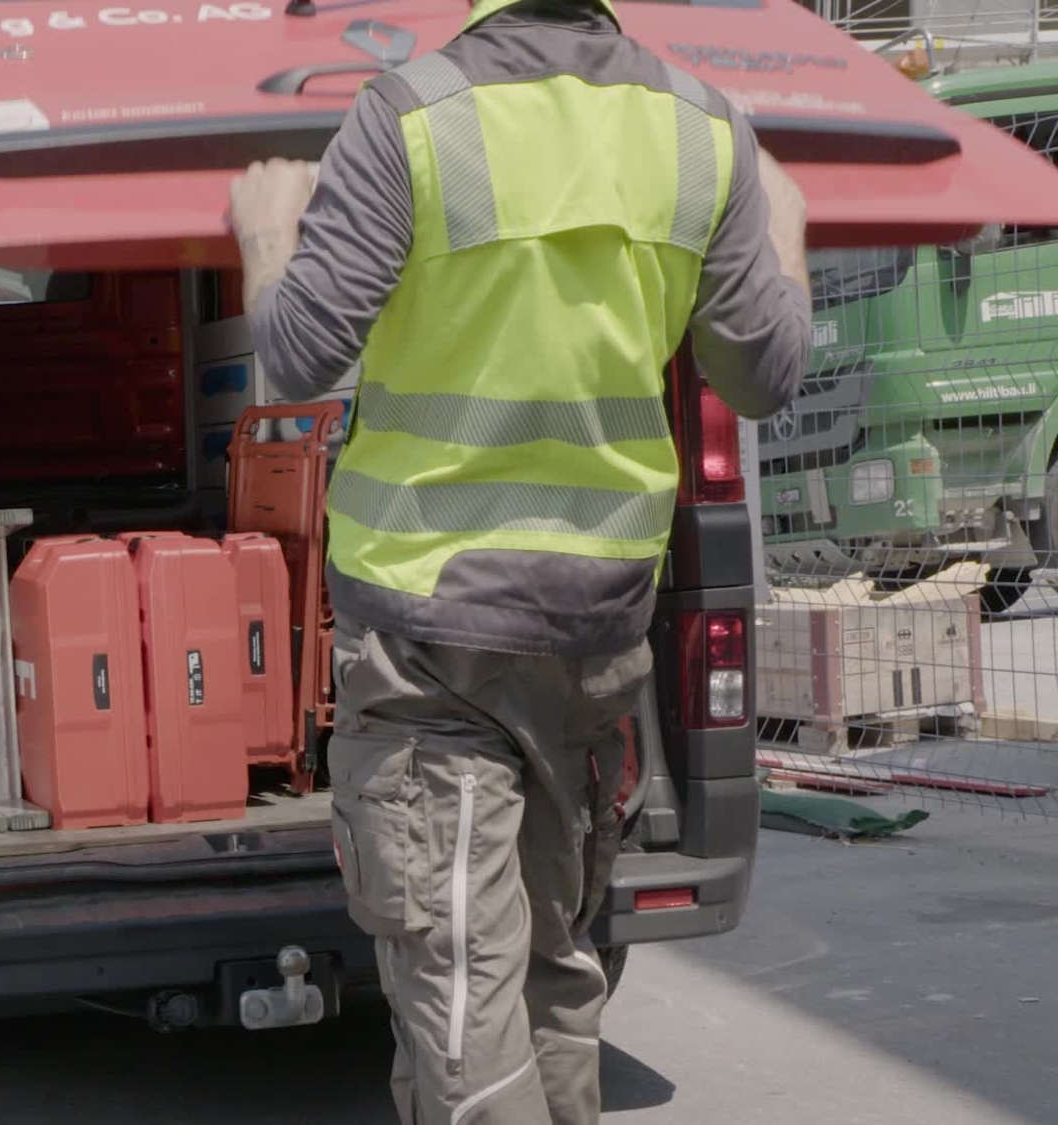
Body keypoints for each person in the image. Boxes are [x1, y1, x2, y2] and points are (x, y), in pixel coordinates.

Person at [226, 0, 811, 1121]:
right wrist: (784, 235)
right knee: (554, 973)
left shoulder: (408, 118)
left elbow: (299, 353)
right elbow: (760, 378)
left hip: (431, 637)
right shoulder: (700, 130)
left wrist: (265, 232)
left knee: (460, 995)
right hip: (594, 634)